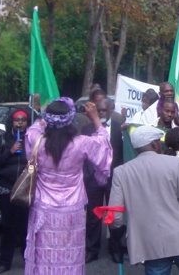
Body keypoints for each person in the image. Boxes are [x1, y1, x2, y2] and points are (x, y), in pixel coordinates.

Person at [24, 97, 112, 274]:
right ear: (71, 120)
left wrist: (45, 116)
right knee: (70, 253)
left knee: (44, 254)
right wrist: (95, 117)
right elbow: (103, 143)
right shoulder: (81, 143)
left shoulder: (36, 140)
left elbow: (33, 128)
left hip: (43, 207)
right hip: (73, 208)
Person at [109, 125, 179, 275]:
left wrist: (120, 235)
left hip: (149, 244)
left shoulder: (121, 172)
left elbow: (115, 216)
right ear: (154, 144)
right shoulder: (174, 164)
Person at [81, 98, 124, 264]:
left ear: (111, 109)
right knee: (93, 216)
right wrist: (88, 175)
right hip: (93, 179)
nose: (101, 113)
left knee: (114, 215)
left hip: (114, 178)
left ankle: (116, 249)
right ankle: (92, 250)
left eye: (104, 110)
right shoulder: (87, 129)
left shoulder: (120, 128)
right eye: (99, 110)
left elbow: (121, 153)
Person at [0, 111, 30, 274]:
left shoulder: (33, 138)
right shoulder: (4, 139)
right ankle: (4, 262)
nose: (20, 123)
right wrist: (9, 152)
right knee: (8, 226)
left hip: (26, 187)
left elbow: (39, 161)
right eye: (17, 120)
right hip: (6, 187)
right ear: (12, 122)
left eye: (23, 120)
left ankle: (29, 260)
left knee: (26, 225)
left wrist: (30, 172)